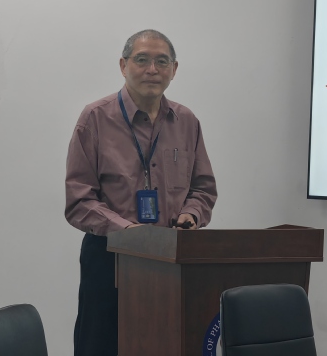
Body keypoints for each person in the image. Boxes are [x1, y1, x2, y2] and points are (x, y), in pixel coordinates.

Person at [65, 29, 217, 356]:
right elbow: (79, 200)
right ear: (123, 65)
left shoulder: (186, 121)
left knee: (165, 345)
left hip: (170, 258)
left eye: (162, 62)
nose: (152, 69)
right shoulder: (95, 118)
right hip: (110, 257)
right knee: (102, 347)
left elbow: (203, 188)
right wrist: (128, 232)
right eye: (142, 60)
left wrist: (191, 214)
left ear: (174, 69)